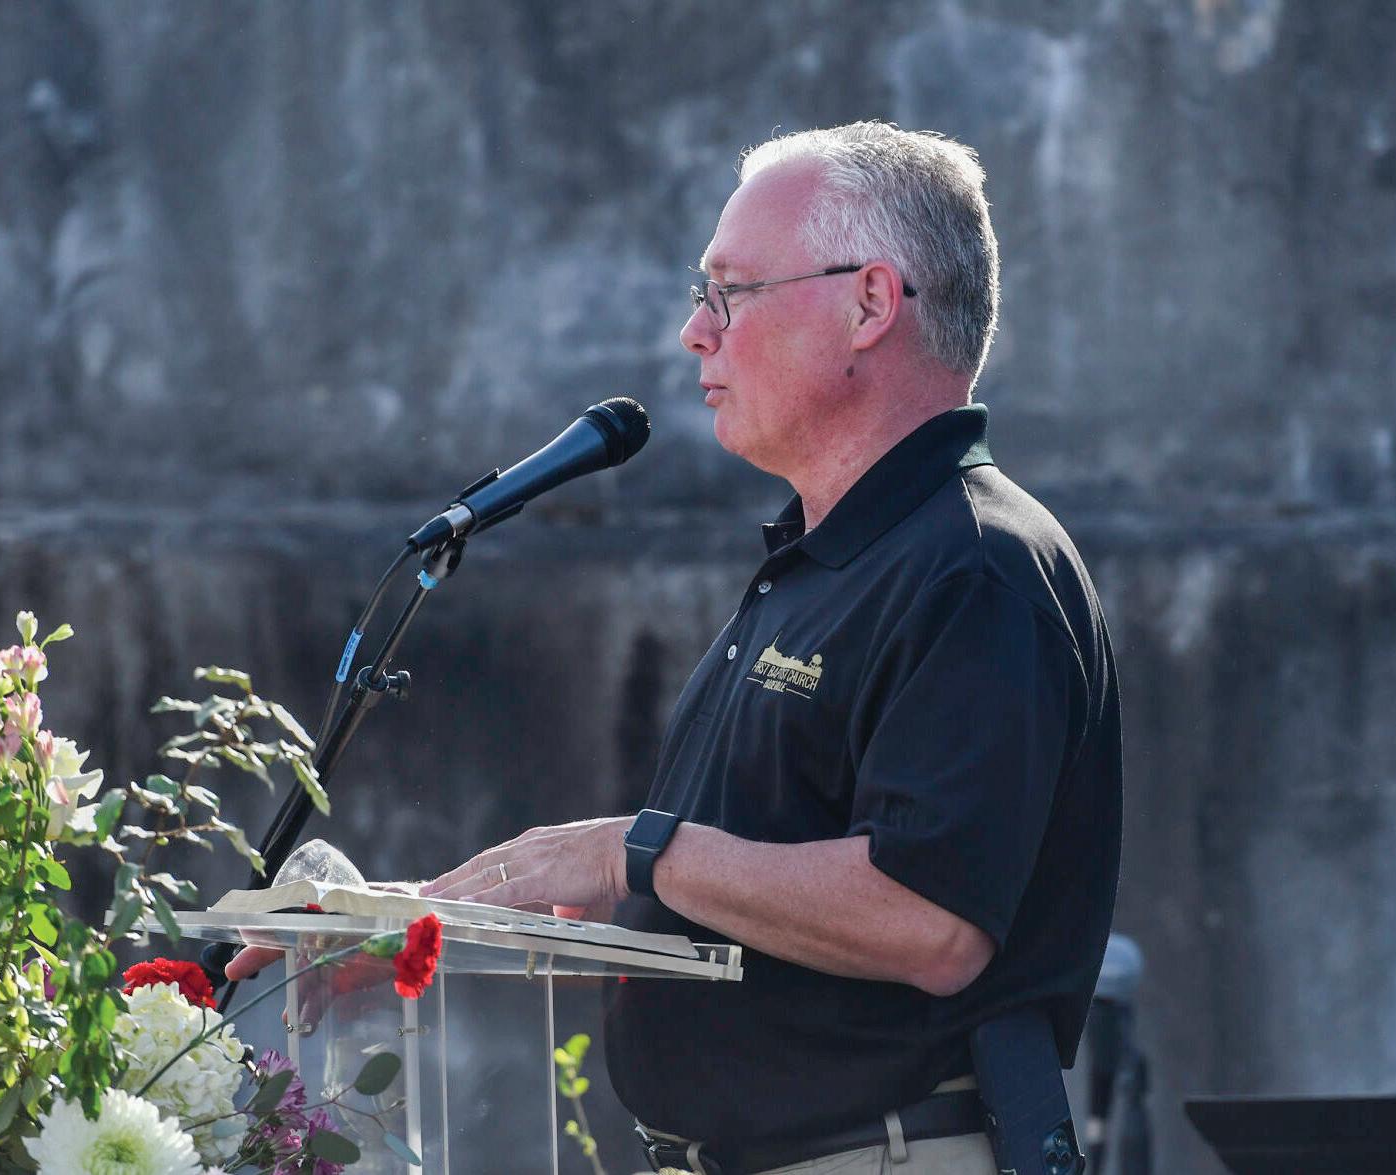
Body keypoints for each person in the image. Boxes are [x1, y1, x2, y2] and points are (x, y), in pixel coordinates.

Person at [233, 121, 1121, 1175]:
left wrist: (632, 850)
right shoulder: (828, 562)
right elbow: (737, 916)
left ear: (869, 304)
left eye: (729, 293)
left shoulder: (973, 567)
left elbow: (929, 919)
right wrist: (419, 923)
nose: (696, 333)